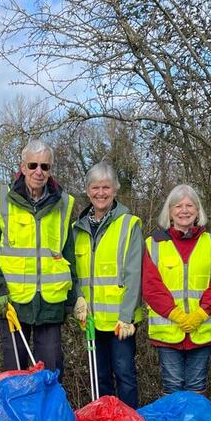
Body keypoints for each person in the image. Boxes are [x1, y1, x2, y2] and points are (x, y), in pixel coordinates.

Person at [0, 139, 77, 375]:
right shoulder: (1, 200)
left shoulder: (63, 203)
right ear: (22, 167)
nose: (38, 172)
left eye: (45, 166)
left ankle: (46, 413)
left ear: (51, 169)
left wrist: (73, 300)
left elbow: (68, 255)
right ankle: (17, 413)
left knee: (50, 375)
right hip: (12, 303)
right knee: (15, 375)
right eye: (33, 165)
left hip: (50, 305)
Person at [141, 184, 211, 394]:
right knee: (172, 387)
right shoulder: (154, 244)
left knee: (197, 387)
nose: (184, 210)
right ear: (169, 212)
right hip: (168, 332)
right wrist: (177, 315)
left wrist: (200, 314)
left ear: (198, 211)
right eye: (178, 206)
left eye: (190, 205)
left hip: (201, 330)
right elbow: (152, 287)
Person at [70, 161, 144, 407]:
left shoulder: (129, 224)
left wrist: (126, 316)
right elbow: (73, 271)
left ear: (115, 190)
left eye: (106, 187)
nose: (100, 193)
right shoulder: (76, 229)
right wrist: (78, 298)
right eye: (95, 187)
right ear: (87, 190)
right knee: (99, 378)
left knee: (125, 376)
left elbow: (134, 273)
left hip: (119, 322)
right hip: (90, 319)